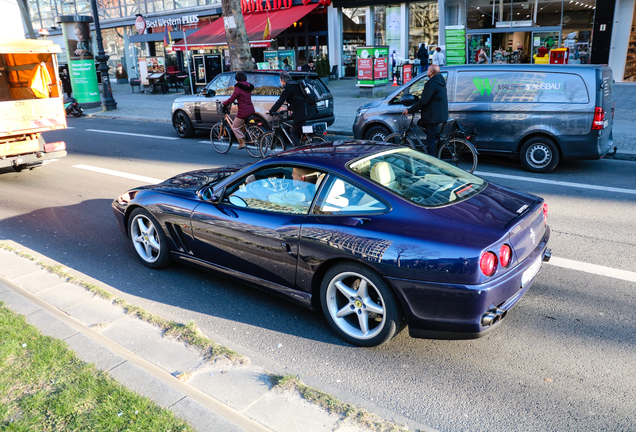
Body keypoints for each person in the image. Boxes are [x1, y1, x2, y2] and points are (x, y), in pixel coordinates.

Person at [401, 64, 448, 156]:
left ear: (431, 72)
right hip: (439, 114)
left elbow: (423, 101)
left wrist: (410, 110)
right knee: (420, 123)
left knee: (430, 140)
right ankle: (436, 141)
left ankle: (431, 161)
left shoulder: (431, 83)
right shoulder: (441, 82)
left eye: (428, 70)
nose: (427, 71)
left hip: (432, 116)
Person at [269, 72, 317, 147]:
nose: (280, 82)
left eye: (280, 80)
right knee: (298, 128)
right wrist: (287, 108)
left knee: (293, 131)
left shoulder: (289, 87)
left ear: (283, 80)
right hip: (307, 110)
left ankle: (297, 151)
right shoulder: (296, 84)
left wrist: (271, 111)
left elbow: (280, 100)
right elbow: (298, 100)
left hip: (301, 112)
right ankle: (302, 146)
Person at [222, 72, 255, 150]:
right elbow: (244, 97)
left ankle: (242, 142)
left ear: (237, 79)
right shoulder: (248, 86)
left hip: (243, 111)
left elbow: (232, 98)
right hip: (250, 109)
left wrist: (224, 103)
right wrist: (239, 101)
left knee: (235, 127)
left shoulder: (238, 87)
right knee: (242, 125)